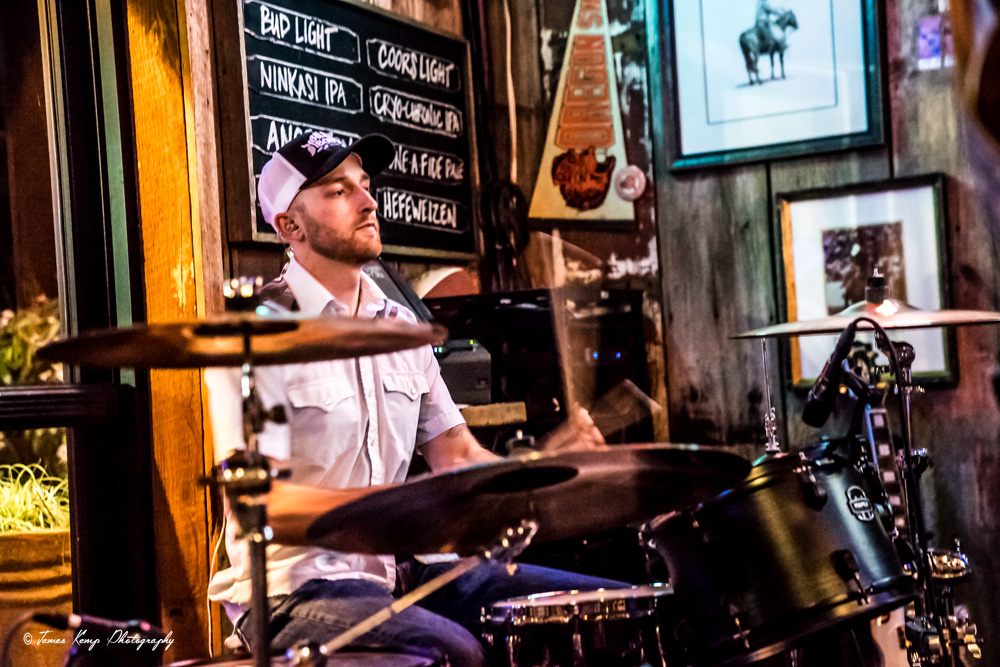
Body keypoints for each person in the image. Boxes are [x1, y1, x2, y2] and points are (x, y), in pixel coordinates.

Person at [205, 131, 622, 666]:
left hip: (396, 573)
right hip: (294, 591)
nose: (367, 201)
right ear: (290, 225)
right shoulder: (257, 336)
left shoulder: (401, 327)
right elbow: (264, 507)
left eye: (365, 185)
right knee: (456, 652)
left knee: (591, 606)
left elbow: (459, 456)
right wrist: (394, 512)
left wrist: (547, 469)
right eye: (337, 191)